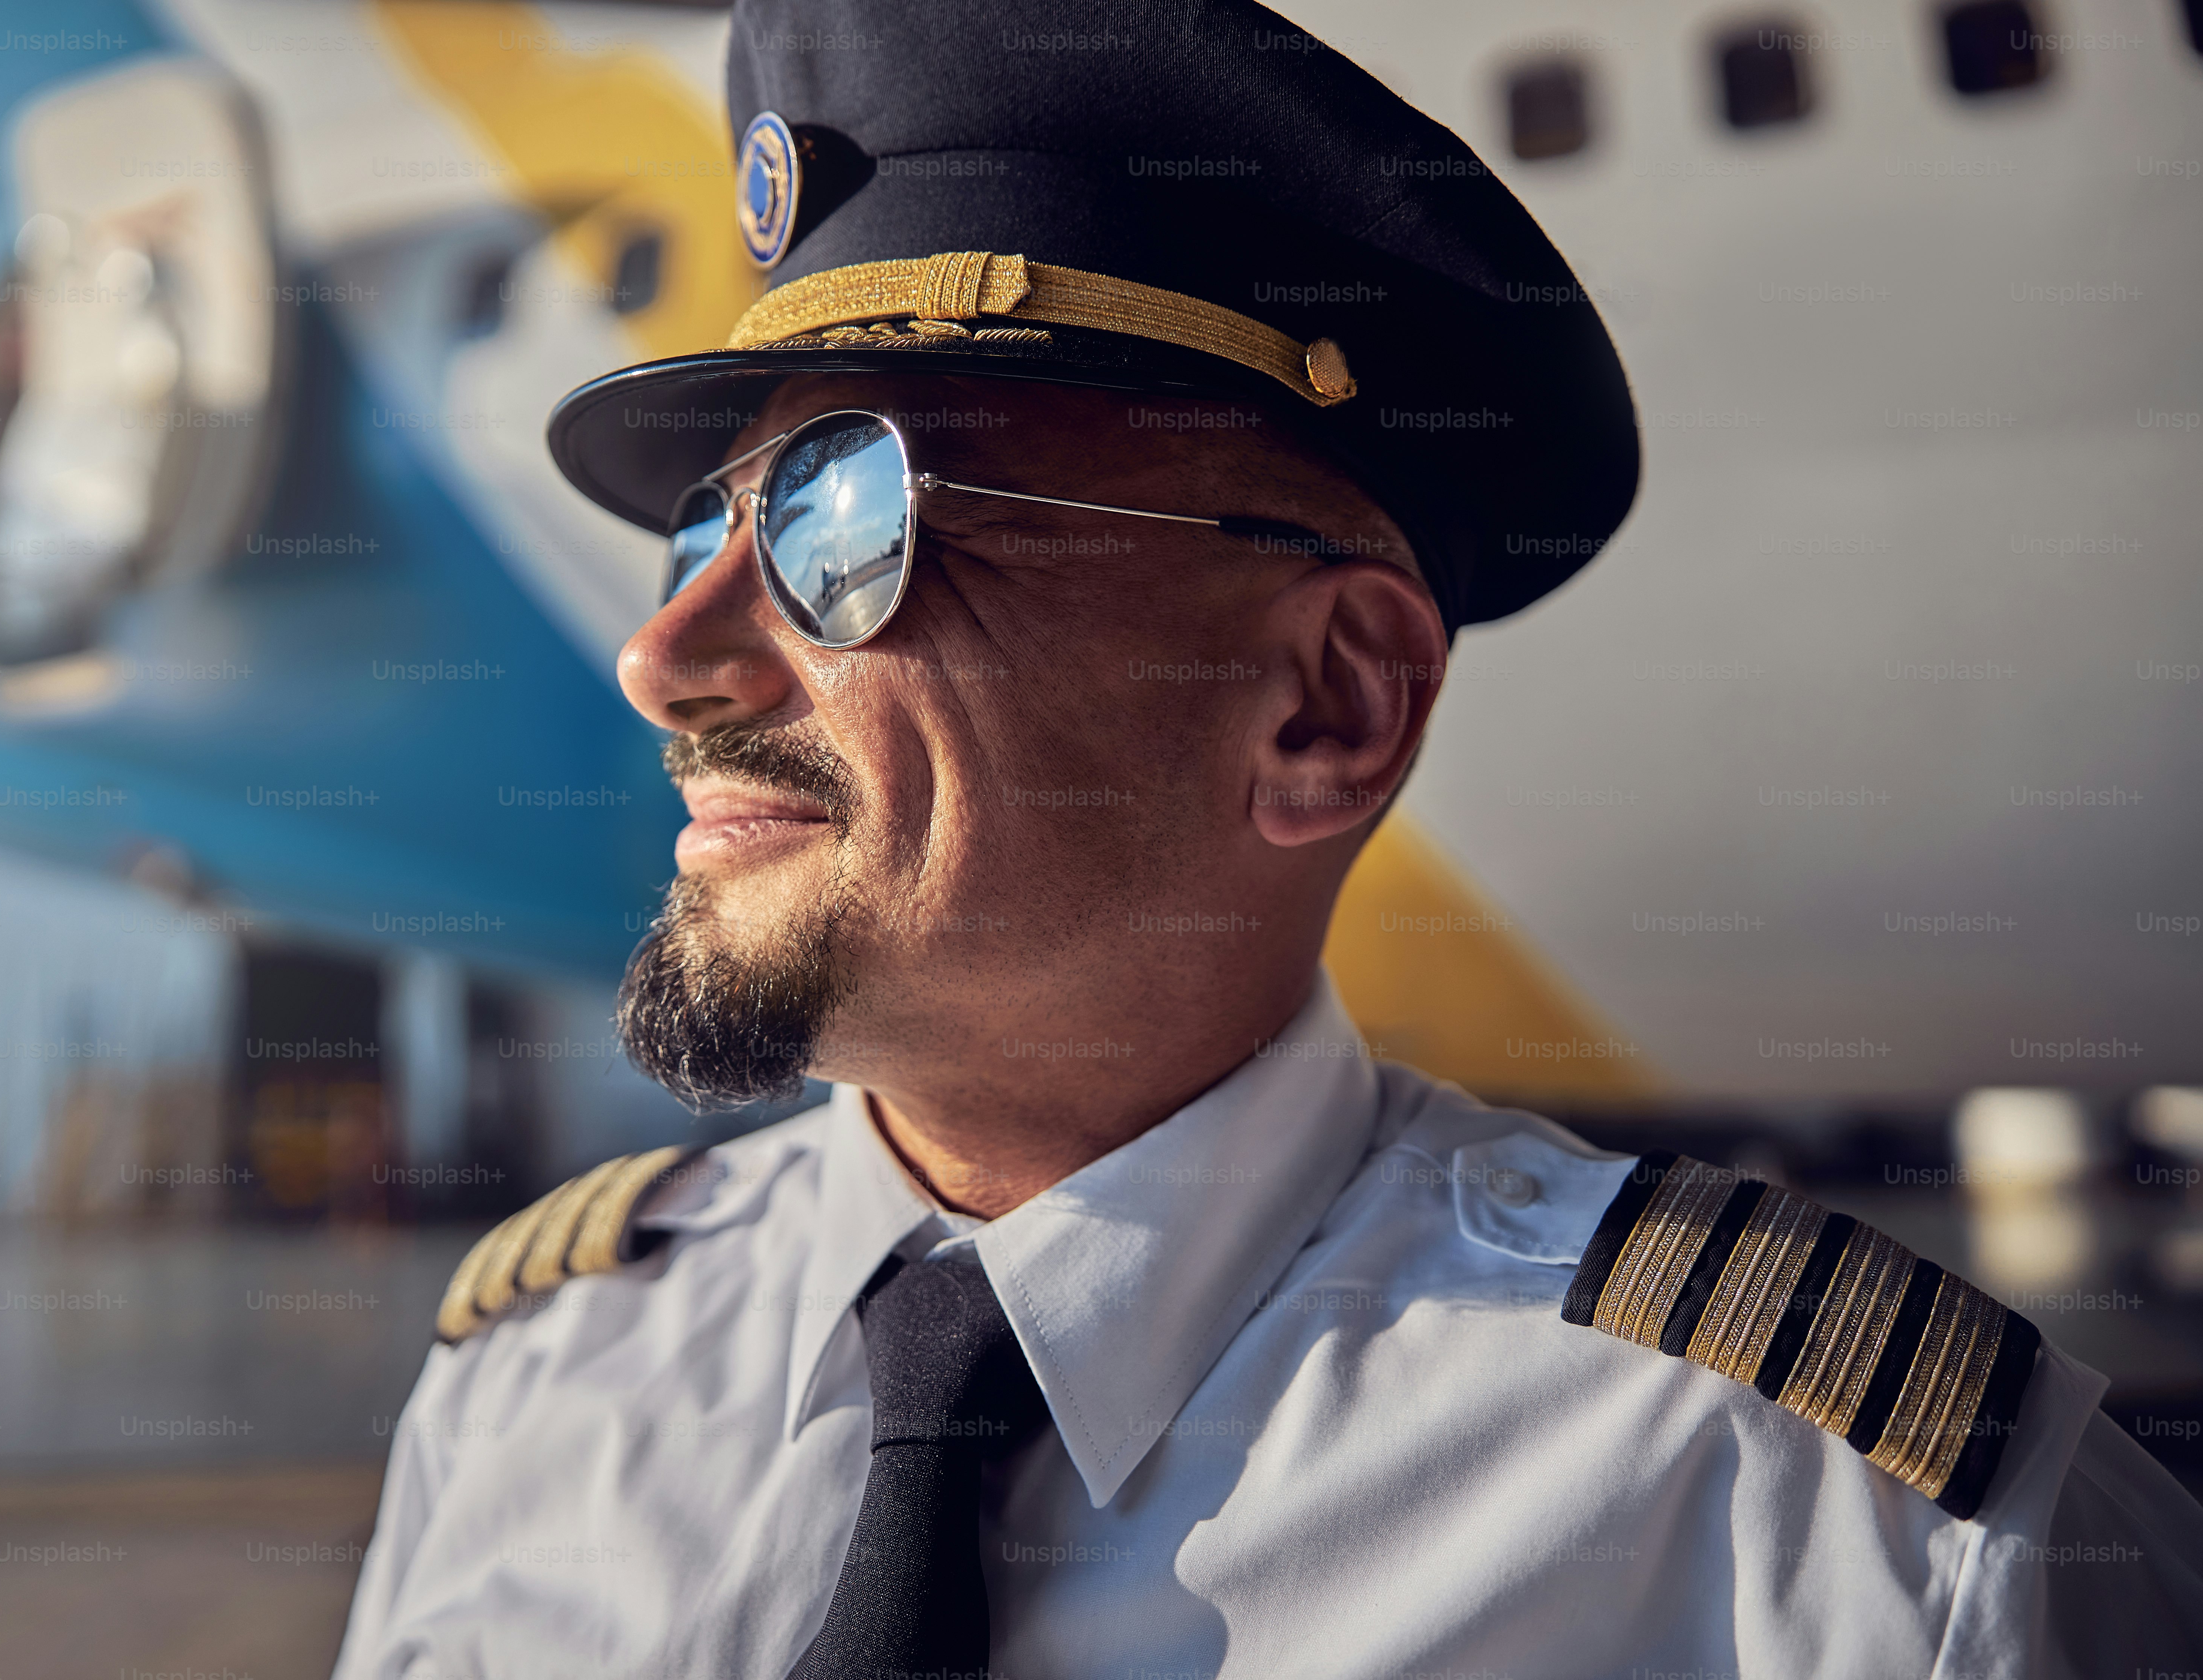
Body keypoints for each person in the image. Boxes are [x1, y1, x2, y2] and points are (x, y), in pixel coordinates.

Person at [334, 2, 2203, 1674]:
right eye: (701, 533)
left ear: (1328, 707)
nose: (666, 656)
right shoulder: (531, 1395)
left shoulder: (1830, 1537)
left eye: (846, 517)